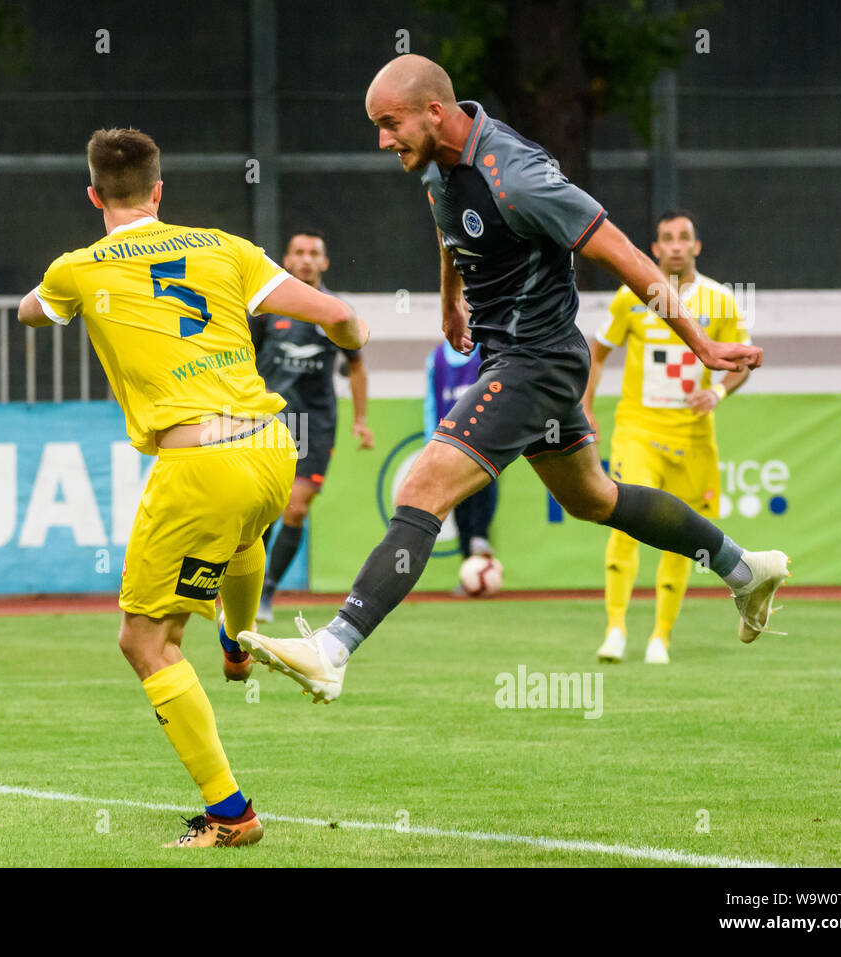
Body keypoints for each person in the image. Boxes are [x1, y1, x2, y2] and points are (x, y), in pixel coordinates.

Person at [236, 55, 788, 704]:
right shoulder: (438, 161)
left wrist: (700, 343)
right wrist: (451, 298)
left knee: (422, 483)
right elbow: (448, 225)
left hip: (537, 360)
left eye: (389, 124)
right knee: (594, 498)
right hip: (513, 356)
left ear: (433, 113)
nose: (382, 140)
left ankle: (332, 648)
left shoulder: (519, 178)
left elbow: (628, 256)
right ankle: (744, 568)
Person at [17, 128, 368, 845]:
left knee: (145, 640)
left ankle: (229, 814)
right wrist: (355, 349)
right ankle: (238, 643)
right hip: (272, 449)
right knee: (242, 536)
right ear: (158, 192)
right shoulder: (224, 247)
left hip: (198, 461)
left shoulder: (76, 270)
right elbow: (339, 317)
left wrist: (56, 296)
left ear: (93, 196)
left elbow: (31, 311)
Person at [584, 211, 751, 664]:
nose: (676, 246)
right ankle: (615, 628)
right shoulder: (632, 296)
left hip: (694, 437)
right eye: (666, 239)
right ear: (654, 249)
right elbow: (596, 354)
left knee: (684, 535)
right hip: (638, 429)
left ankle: (660, 636)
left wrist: (717, 392)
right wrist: (584, 406)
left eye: (684, 238)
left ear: (697, 246)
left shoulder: (719, 301)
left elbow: (741, 365)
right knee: (624, 521)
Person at [249, 230, 374, 622]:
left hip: (314, 423)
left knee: (295, 508)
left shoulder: (335, 311)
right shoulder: (266, 310)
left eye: (313, 253)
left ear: (324, 263)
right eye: (298, 252)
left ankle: (267, 593)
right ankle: (249, 590)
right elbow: (245, 358)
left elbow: (356, 368)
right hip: (268, 420)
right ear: (286, 260)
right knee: (261, 510)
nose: (305, 259)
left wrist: (360, 420)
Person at [425, 339, 498, 577]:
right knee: (459, 503)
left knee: (484, 488)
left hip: (484, 439)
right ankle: (469, 560)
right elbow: (431, 403)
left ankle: (480, 537)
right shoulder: (435, 359)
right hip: (450, 443)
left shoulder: (488, 353)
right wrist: (431, 442)